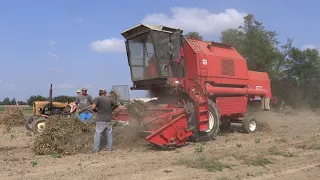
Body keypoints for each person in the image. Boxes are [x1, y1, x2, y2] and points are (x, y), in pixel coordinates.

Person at [91, 89, 118, 153]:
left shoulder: (97, 98)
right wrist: (111, 110)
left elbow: (93, 107)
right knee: (109, 134)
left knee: (98, 134)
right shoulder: (109, 99)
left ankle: (96, 150)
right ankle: (110, 148)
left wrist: (96, 111)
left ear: (99, 93)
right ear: (105, 93)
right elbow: (116, 105)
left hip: (100, 119)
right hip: (108, 119)